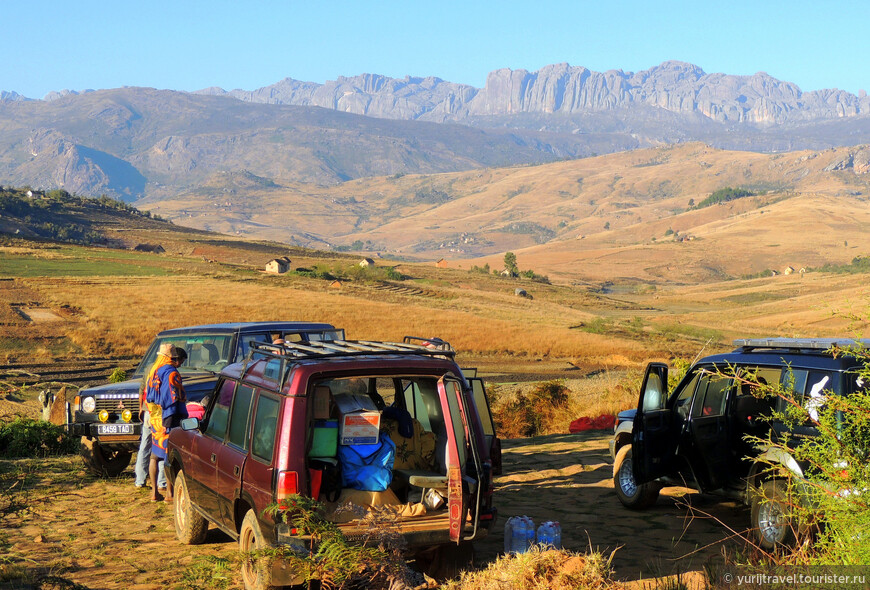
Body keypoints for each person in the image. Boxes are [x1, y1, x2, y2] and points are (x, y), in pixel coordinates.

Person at [146, 346, 188, 502]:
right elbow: (170, 397)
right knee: (168, 457)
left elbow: (149, 395)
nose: (181, 364)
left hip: (155, 418)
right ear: (174, 359)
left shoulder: (156, 371)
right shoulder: (171, 373)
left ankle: (154, 493)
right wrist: (169, 421)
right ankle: (170, 494)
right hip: (167, 418)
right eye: (181, 361)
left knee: (155, 456)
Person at [134, 343, 174, 490]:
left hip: (147, 411)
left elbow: (142, 389)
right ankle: (162, 483)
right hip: (160, 414)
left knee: (145, 445)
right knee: (162, 448)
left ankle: (140, 479)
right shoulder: (166, 371)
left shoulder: (150, 367)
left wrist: (141, 408)